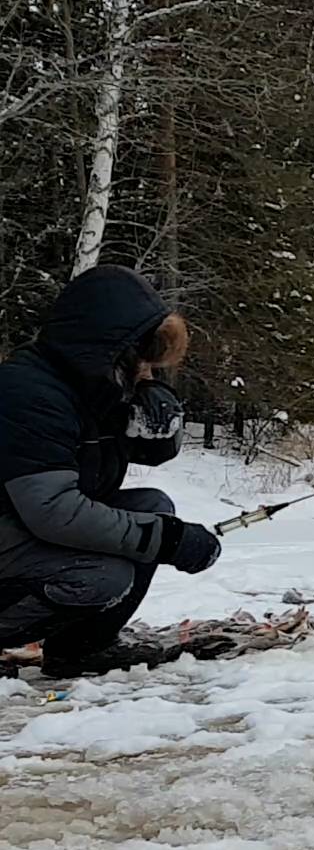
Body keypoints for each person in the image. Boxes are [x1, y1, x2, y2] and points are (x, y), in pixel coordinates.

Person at [0, 265, 223, 678]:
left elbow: (154, 455)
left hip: (18, 533)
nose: (144, 369)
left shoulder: (97, 388)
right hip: (19, 528)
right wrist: (168, 540)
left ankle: (82, 649)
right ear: (110, 347)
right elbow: (54, 511)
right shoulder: (28, 392)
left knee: (153, 506)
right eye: (141, 358)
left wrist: (156, 404)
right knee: (103, 576)